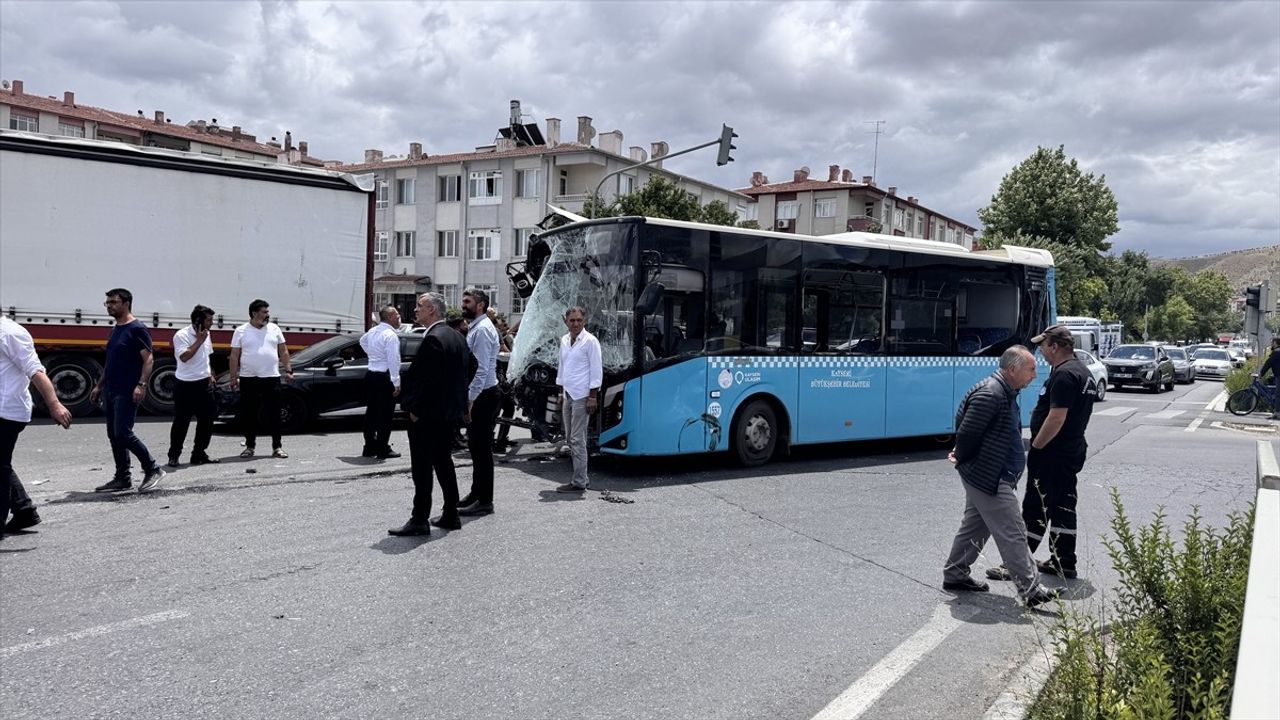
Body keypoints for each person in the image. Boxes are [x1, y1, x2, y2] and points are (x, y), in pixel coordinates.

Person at [944, 346, 1059, 608]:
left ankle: (955, 573)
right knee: (1014, 530)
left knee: (976, 525)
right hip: (989, 476)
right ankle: (1030, 589)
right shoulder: (991, 393)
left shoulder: (1005, 392)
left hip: (990, 474)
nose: (1034, 374)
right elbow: (967, 432)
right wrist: (960, 455)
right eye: (1030, 369)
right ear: (1012, 369)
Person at [990, 324, 1096, 582]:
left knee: (1035, 507)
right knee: (1063, 506)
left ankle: (1017, 564)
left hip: (1052, 453)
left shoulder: (1064, 375)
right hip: (1070, 451)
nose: (1041, 353)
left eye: (1043, 347)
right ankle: (1064, 561)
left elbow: (1057, 417)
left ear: (1055, 347)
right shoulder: (1083, 372)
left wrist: (1036, 445)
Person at [389, 292, 470, 536]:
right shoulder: (456, 336)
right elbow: (469, 368)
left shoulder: (434, 338)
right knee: (444, 463)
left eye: (420, 306)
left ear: (432, 310)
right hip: (447, 414)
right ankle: (450, 513)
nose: (415, 310)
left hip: (429, 416)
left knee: (422, 468)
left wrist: (415, 410)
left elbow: (427, 381)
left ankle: (419, 519)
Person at [1, 317, 73, 540]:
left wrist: (54, 404)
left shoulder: (10, 333)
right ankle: (24, 510)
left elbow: (35, 371)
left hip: (6, 410)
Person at [91, 288, 167, 493]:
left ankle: (153, 469)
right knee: (113, 435)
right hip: (111, 389)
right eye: (107, 303)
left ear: (126, 303)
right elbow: (111, 361)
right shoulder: (116, 329)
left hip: (127, 390)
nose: (109, 306)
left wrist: (141, 385)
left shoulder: (137, 328)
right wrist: (99, 385)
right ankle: (122, 477)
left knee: (123, 433)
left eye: (113, 302)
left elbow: (148, 359)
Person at [229, 299, 293, 459]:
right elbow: (234, 355)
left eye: (267, 312)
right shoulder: (241, 331)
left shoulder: (274, 329)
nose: (267, 315)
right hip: (248, 378)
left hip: (271, 378)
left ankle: (277, 447)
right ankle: (250, 446)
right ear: (254, 313)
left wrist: (289, 370)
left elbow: (283, 351)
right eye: (264, 312)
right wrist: (233, 377)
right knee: (249, 413)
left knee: (274, 414)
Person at [459, 288, 500, 516]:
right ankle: (476, 493)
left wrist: (471, 399)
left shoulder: (482, 330)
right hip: (481, 394)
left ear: (481, 305)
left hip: (483, 396)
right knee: (475, 448)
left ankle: (485, 501)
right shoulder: (476, 327)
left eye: (468, 301)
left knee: (482, 450)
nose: (464, 305)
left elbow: (481, 370)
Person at [555, 306, 602, 493]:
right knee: (570, 438)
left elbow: (596, 371)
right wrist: (560, 393)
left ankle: (580, 481)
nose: (575, 323)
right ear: (566, 321)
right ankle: (582, 477)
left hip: (583, 396)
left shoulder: (591, 341)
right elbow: (562, 367)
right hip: (568, 394)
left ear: (585, 321)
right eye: (572, 320)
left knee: (577, 439)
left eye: (579, 320)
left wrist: (593, 397)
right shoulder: (564, 340)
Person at [166, 305, 220, 467]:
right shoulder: (181, 335)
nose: (211, 323)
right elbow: (184, 357)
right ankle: (174, 455)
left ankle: (199, 454)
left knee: (207, 421)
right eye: (209, 320)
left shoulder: (206, 334)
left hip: (203, 384)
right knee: (181, 422)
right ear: (198, 321)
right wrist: (199, 341)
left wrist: (210, 373)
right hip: (185, 386)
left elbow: (207, 355)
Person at [359, 305, 402, 459]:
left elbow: (362, 341)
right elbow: (393, 360)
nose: (399, 317)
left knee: (371, 412)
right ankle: (383, 447)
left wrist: (373, 355)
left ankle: (369, 446)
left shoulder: (373, 331)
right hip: (384, 377)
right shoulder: (390, 335)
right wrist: (396, 382)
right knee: (385, 415)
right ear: (389, 317)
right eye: (396, 314)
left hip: (371, 375)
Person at [1259, 337, 1280, 419]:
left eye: (1272, 342)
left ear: (1276, 343)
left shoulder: (1277, 353)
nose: (1271, 344)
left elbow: (1268, 363)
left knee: (1278, 394)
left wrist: (1261, 374)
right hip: (1277, 374)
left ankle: (1277, 413)